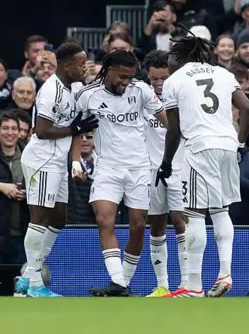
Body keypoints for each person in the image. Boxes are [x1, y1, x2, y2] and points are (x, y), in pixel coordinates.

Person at [158, 32, 249, 298]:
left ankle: (193, 285)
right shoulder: (223, 74)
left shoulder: (174, 80)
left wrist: (166, 162)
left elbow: (175, 129)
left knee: (195, 214)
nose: (169, 63)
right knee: (221, 211)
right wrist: (241, 144)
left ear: (180, 56)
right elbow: (247, 109)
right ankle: (225, 273)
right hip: (227, 143)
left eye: (171, 58)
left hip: (199, 147)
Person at [75, 50, 168, 297]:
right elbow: (75, 128)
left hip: (139, 167)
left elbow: (166, 119)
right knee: (104, 220)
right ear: (108, 70)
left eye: (130, 77)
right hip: (107, 167)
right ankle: (118, 281)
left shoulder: (141, 90)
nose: (125, 82)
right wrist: (75, 161)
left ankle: (123, 283)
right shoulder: (88, 95)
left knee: (138, 227)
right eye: (122, 76)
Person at [17, 43, 97, 298]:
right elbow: (42, 131)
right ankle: (35, 284)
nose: (85, 67)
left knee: (59, 218)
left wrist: (75, 160)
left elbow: (76, 126)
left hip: (59, 160)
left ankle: (29, 274)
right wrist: (74, 129)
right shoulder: (50, 90)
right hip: (41, 159)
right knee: (39, 219)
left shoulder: (75, 87)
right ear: (66, 65)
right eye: (81, 63)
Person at [142, 50, 188, 297]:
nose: (159, 84)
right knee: (157, 225)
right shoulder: (141, 98)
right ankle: (162, 285)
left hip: (179, 167)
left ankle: (186, 284)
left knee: (181, 222)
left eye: (163, 78)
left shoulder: (181, 97)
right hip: (151, 169)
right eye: (154, 79)